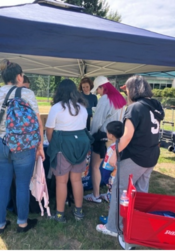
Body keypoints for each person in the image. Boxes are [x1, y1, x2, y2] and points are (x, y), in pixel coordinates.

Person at [96, 75, 164, 237]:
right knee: (140, 192)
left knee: (121, 191)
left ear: (133, 90)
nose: (126, 95)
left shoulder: (135, 108)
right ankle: (137, 222)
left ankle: (113, 227)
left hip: (135, 156)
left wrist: (114, 154)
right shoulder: (155, 105)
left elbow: (126, 136)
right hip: (151, 155)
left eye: (127, 91)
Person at [0, 59, 44, 235]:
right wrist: (39, 146)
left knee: (2, 184)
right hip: (24, 146)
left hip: (1, 143)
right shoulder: (27, 94)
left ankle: (0, 224)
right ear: (19, 76)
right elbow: (37, 123)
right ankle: (22, 223)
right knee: (22, 185)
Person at [45, 79, 92, 223]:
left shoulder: (57, 107)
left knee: (61, 182)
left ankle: (60, 214)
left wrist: (54, 144)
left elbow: (49, 131)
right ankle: (79, 212)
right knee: (76, 180)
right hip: (81, 143)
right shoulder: (82, 107)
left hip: (63, 144)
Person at [84, 76, 126, 203]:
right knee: (114, 167)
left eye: (98, 89)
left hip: (103, 137)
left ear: (103, 87)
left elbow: (97, 121)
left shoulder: (104, 99)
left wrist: (91, 135)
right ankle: (110, 193)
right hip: (117, 138)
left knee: (95, 166)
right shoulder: (120, 98)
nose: (97, 92)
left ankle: (96, 195)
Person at [99, 121, 124, 203]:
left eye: (107, 131)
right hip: (118, 172)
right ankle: (109, 196)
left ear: (111, 135)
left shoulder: (113, 148)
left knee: (111, 188)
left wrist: (106, 178)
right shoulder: (122, 145)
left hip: (111, 173)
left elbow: (109, 164)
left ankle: (111, 200)